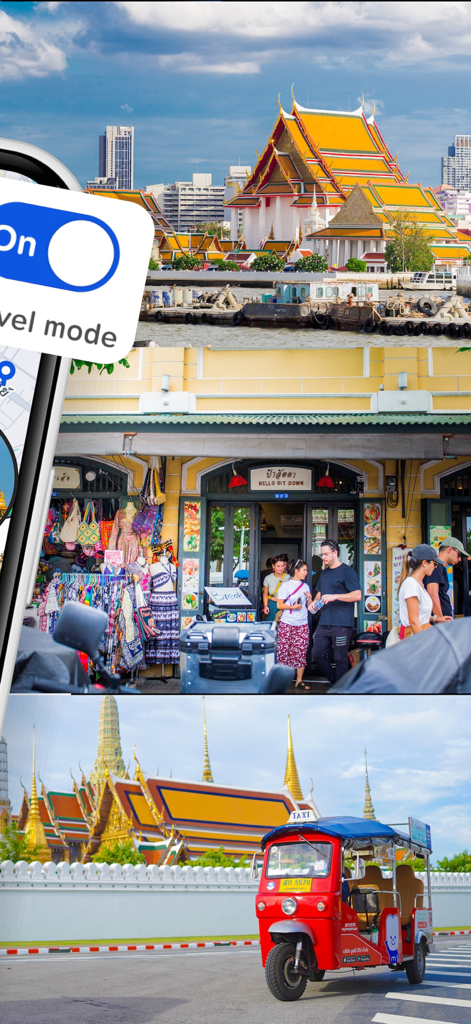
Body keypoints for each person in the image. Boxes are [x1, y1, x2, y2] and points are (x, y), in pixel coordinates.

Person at [310, 540, 362, 684]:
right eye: (322, 555)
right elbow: (319, 594)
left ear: (335, 553)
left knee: (339, 658)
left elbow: (357, 595)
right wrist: (314, 603)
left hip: (342, 623)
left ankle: (339, 691)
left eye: (326, 554)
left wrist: (335, 596)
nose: (324, 557)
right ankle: (336, 682)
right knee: (317, 654)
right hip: (324, 622)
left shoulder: (347, 572)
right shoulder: (324, 573)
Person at [398, 544, 452, 638]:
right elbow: (414, 622)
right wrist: (423, 644)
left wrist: (436, 619)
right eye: (434, 563)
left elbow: (420, 614)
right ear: (425, 563)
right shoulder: (412, 585)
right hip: (415, 635)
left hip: (423, 631)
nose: (435, 567)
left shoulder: (419, 584)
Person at [276, 559, 312, 689]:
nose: (306, 573)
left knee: (301, 651)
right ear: (296, 571)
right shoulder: (285, 586)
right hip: (287, 623)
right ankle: (281, 680)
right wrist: (293, 608)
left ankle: (299, 680)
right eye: (304, 570)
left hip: (302, 623)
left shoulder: (306, 586)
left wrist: (309, 598)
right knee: (284, 651)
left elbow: (309, 606)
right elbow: (279, 604)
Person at [425, 537, 470, 620]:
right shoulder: (436, 567)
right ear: (449, 550)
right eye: (459, 554)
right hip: (436, 626)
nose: (460, 559)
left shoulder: (440, 568)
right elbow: (432, 594)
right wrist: (441, 620)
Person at [262, 555, 288, 621]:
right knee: (271, 626)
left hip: (285, 604)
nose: (281, 568)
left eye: (282, 566)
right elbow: (265, 594)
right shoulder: (268, 578)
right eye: (278, 566)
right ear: (273, 566)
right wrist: (265, 606)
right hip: (272, 605)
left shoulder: (289, 578)